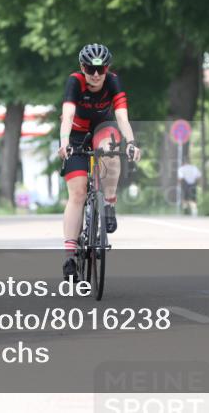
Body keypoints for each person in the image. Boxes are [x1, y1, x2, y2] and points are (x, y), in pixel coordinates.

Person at [57, 43, 141, 280]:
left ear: (107, 68)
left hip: (102, 129)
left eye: (100, 69)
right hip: (75, 135)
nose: (95, 75)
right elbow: (68, 116)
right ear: (81, 67)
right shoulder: (75, 82)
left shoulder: (113, 82)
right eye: (89, 69)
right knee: (78, 193)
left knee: (111, 153)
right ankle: (70, 256)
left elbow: (122, 117)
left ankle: (109, 204)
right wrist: (64, 143)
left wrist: (132, 142)